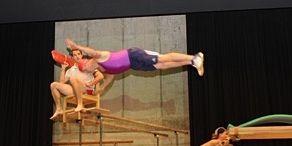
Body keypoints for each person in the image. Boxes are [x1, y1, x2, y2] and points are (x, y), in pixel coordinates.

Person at [65, 38, 204, 93]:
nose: (88, 71)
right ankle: (192, 63)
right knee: (162, 66)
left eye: (86, 69)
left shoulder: (99, 57)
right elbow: (110, 77)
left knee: (162, 59)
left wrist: (76, 46)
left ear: (87, 63)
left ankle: (194, 57)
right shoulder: (101, 68)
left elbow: (92, 51)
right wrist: (102, 88)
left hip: (133, 55)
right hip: (134, 65)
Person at [50, 48, 104, 120]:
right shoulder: (71, 70)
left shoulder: (88, 65)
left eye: (79, 54)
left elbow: (100, 76)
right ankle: (59, 108)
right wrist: (63, 68)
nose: (77, 56)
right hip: (75, 90)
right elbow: (61, 82)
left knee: (73, 79)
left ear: (81, 55)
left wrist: (90, 83)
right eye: (75, 55)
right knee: (53, 85)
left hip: (86, 90)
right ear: (72, 57)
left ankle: (80, 104)